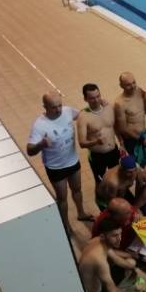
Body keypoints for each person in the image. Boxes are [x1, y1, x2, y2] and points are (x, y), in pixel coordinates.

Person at [27, 91, 92, 233]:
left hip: (72, 161)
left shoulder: (67, 111)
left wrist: (95, 104)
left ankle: (81, 213)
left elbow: (82, 114)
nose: (58, 110)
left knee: (77, 189)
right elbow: (30, 150)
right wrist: (41, 144)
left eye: (59, 105)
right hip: (56, 167)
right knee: (62, 198)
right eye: (53, 107)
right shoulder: (39, 125)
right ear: (45, 107)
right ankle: (66, 224)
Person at [78, 217, 146, 292]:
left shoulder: (98, 241)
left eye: (120, 234)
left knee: (130, 262)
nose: (119, 238)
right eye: (114, 235)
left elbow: (116, 258)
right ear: (103, 236)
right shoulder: (99, 260)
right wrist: (134, 287)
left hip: (97, 285)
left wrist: (136, 269)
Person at [77, 84, 120, 184]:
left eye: (98, 96)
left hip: (113, 152)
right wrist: (96, 141)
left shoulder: (109, 108)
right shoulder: (83, 117)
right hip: (97, 156)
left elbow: (116, 127)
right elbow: (82, 143)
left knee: (116, 179)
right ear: (85, 99)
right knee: (101, 183)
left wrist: (122, 143)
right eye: (92, 98)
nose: (96, 100)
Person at [114, 72, 146, 162]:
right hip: (132, 140)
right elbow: (122, 128)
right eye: (128, 85)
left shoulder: (139, 91)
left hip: (144, 133)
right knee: (138, 167)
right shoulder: (119, 103)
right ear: (121, 86)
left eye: (134, 82)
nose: (133, 86)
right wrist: (141, 138)